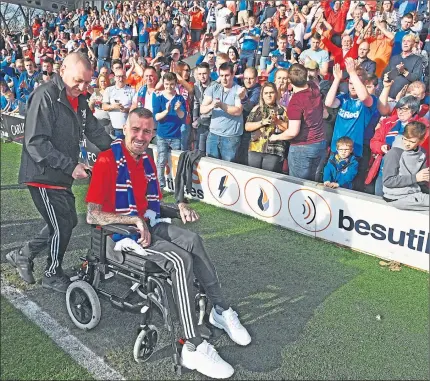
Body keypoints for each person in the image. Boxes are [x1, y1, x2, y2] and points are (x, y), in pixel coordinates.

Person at [85, 107, 251, 378]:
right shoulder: (107, 160)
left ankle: (220, 310)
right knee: (179, 260)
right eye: (136, 129)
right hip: (119, 236)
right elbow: (93, 214)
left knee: (193, 241)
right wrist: (133, 221)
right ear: (125, 129)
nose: (141, 135)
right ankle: (192, 345)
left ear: (152, 134)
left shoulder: (146, 159)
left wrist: (179, 208)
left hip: (147, 225)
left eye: (147, 131)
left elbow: (153, 207)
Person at [6, 52, 112, 292]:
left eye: (87, 82)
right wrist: (70, 166)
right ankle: (52, 273)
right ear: (62, 70)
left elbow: (95, 131)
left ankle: (24, 254)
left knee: (68, 221)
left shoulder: (81, 100)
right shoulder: (45, 95)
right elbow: (36, 143)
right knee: (63, 224)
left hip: (60, 178)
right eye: (78, 81)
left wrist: (120, 150)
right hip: (43, 174)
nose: (83, 87)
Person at [270, 63, 326, 181]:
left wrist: (276, 137)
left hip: (302, 147)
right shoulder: (314, 87)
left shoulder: (295, 102)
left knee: (298, 185)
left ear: (289, 80)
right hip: (319, 144)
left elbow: (293, 132)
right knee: (312, 184)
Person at [369, 95, 428, 196]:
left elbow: (422, 150)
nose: (400, 111)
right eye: (399, 108)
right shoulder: (387, 122)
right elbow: (374, 141)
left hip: (407, 173)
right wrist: (381, 146)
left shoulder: (422, 126)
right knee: (379, 201)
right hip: (384, 169)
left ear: (413, 110)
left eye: (405, 109)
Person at [325, 58, 376, 163]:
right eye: (350, 83)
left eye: (356, 83)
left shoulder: (370, 99)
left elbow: (364, 98)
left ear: (365, 83)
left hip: (354, 151)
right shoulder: (343, 98)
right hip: (337, 148)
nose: (353, 87)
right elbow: (328, 103)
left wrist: (352, 73)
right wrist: (337, 79)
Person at [200, 62, 246, 162]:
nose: (224, 79)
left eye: (227, 75)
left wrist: (221, 105)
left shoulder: (239, 90)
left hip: (231, 137)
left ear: (233, 74)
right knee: (211, 167)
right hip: (213, 135)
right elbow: (202, 109)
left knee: (228, 170)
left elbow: (238, 111)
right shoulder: (213, 88)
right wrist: (212, 106)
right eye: (221, 76)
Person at [382, 121, 429, 211]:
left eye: (412, 141)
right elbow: (388, 181)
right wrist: (415, 178)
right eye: (405, 139)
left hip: (414, 193)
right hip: (396, 197)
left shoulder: (422, 153)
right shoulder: (395, 153)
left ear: (421, 141)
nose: (407, 143)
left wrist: (424, 178)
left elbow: (421, 182)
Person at [153, 72, 186, 189]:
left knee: (176, 162)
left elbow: (183, 117)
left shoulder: (180, 98)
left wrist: (177, 110)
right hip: (162, 136)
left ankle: (177, 185)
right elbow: (156, 117)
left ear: (176, 84)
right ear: (163, 83)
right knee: (161, 161)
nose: (169, 87)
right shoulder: (158, 97)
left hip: (176, 135)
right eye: (167, 84)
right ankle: (160, 186)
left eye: (172, 84)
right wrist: (166, 111)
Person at [245, 82, 288, 172]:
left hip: (274, 150)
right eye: (266, 93)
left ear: (276, 94)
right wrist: (262, 122)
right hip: (255, 148)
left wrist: (277, 122)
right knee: (254, 175)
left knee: (269, 177)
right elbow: (247, 126)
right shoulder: (256, 109)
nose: (269, 95)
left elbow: (289, 129)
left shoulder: (283, 110)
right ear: (262, 96)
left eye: (271, 92)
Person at [383, 33, 424, 100]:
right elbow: (385, 75)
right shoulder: (394, 58)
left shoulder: (417, 59)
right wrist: (395, 72)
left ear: (413, 44)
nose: (405, 43)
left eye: (408, 41)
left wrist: (403, 71)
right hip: (388, 96)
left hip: (403, 99)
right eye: (404, 41)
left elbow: (416, 79)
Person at [102, 68, 135, 138]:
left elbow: (136, 107)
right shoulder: (109, 90)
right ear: (114, 78)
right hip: (113, 126)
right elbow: (104, 106)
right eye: (118, 76)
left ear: (126, 77)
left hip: (128, 127)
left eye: (123, 76)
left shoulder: (132, 91)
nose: (120, 79)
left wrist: (126, 109)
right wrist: (113, 107)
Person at [192, 62, 213, 153]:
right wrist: (194, 117)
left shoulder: (215, 86)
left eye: (204, 73)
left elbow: (213, 108)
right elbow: (196, 102)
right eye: (199, 74)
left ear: (209, 73)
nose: (202, 76)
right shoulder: (196, 85)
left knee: (209, 153)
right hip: (201, 124)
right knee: (199, 151)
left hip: (212, 124)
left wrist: (198, 120)